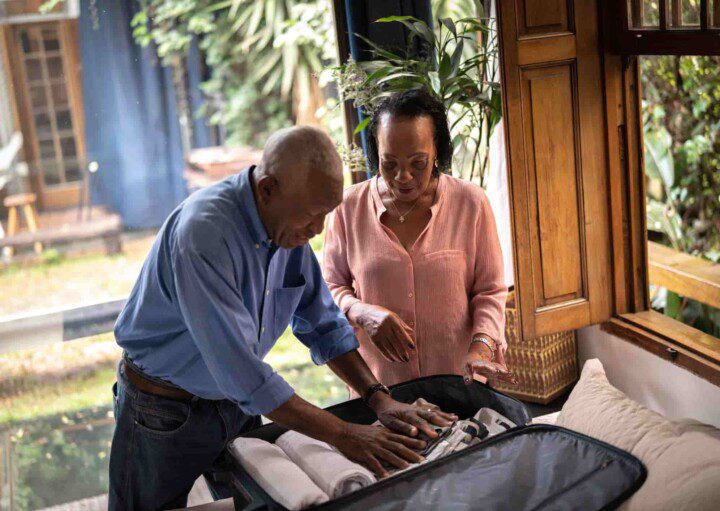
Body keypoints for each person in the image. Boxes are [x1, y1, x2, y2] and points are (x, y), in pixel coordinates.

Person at [109, 126, 457, 510]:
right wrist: (344, 435)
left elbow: (323, 324)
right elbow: (244, 374)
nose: (317, 230)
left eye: (325, 216)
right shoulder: (204, 235)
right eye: (311, 216)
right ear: (268, 189)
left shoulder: (287, 228)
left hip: (236, 405)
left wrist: (378, 399)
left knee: (258, 499)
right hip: (163, 411)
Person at [323, 89, 517, 396]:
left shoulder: (471, 203)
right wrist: (363, 312)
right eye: (389, 163)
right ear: (376, 152)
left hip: (459, 385)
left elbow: (490, 290)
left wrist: (482, 346)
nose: (403, 176)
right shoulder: (349, 207)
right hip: (380, 391)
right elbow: (330, 288)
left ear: (437, 150)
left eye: (418, 163)